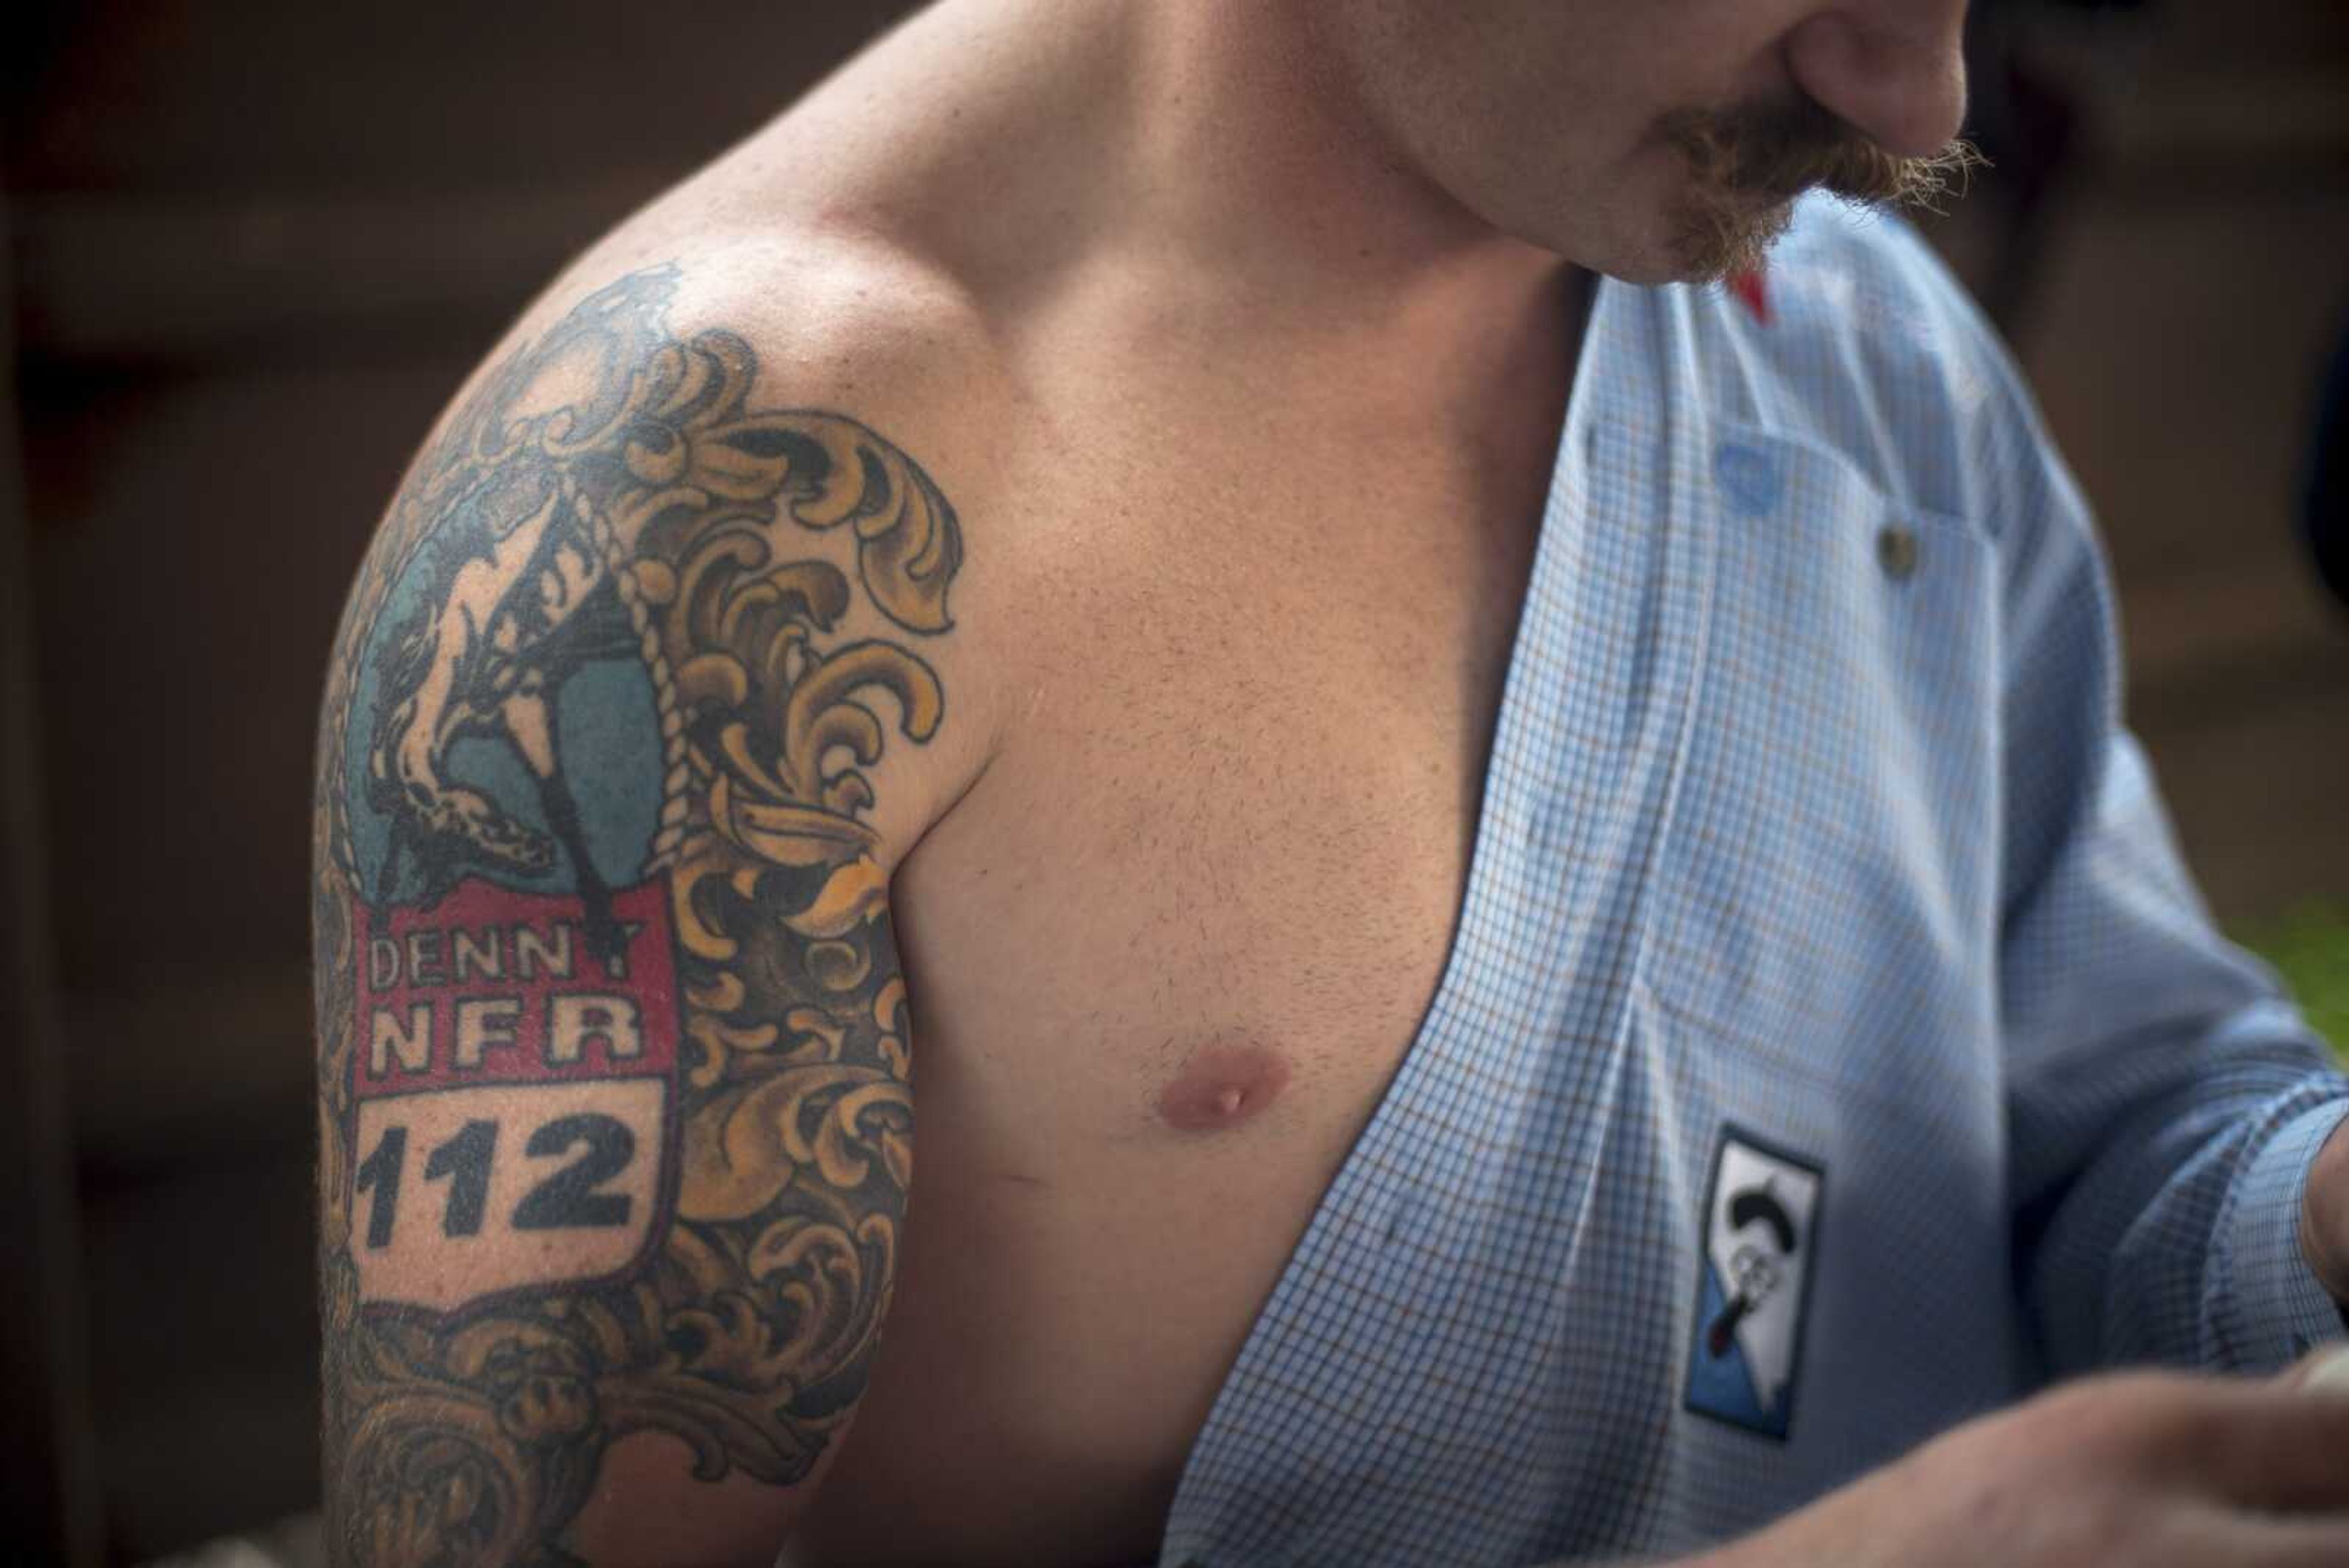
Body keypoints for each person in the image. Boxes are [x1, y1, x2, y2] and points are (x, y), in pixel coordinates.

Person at [308, 2, 2349, 1564]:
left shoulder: (1860, 356)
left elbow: (2129, 1126)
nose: (1914, 94)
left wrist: (2316, 1212)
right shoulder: (721, 520)